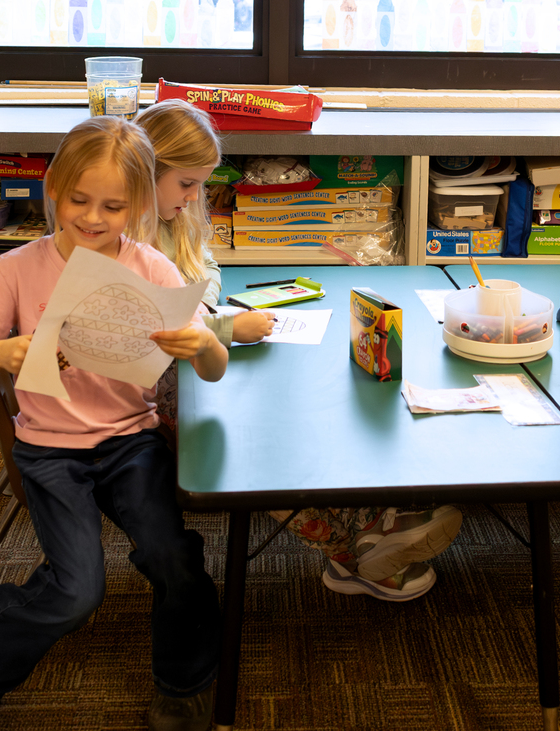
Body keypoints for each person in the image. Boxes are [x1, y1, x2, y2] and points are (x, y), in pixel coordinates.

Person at [0, 116, 228, 731]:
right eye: (78, 200)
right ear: (53, 190)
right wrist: (3, 353)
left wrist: (201, 343)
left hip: (130, 441)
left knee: (175, 557)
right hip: (48, 449)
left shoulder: (152, 268)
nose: (93, 218)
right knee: (75, 589)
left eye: (113, 206)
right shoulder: (16, 268)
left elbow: (215, 370)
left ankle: (184, 680)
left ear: (141, 206)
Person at [135, 99, 463, 603]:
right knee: (246, 448)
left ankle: (368, 528)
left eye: (201, 184)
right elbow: (154, 328)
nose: (196, 196)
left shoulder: (174, 216)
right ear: (145, 172)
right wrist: (223, 326)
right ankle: (356, 546)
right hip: (151, 396)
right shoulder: (122, 235)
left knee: (291, 408)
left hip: (196, 361)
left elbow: (206, 268)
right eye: (186, 184)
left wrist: (203, 307)